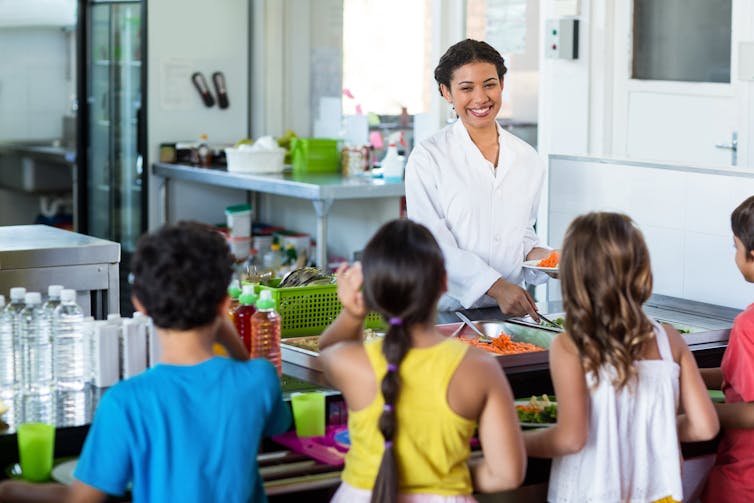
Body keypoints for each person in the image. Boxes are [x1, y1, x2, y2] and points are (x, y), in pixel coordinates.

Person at [63, 222, 290, 502]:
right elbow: (274, 424)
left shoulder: (124, 402)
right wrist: (229, 336)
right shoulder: (260, 380)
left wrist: (12, 491)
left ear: (140, 304)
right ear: (224, 304)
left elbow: (79, 499)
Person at [318, 219, 526, 503]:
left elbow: (329, 347)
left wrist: (353, 312)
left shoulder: (351, 362)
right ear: (443, 282)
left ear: (371, 290)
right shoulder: (479, 368)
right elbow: (507, 475)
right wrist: (453, 479)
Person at [523, 212, 719, 502]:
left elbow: (570, 438)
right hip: (659, 495)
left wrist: (516, 442)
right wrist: (657, 432)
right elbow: (705, 426)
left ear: (574, 278)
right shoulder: (670, 341)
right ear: (642, 272)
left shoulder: (569, 346)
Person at [405, 38, 551, 318]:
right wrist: (496, 287)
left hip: (508, 314)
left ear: (502, 84)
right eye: (466, 88)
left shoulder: (527, 158)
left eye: (489, 84)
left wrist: (555, 263)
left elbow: (521, 237)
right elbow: (432, 245)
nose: (481, 98)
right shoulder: (429, 157)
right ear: (446, 92)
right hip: (443, 313)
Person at [700, 195, 754, 502]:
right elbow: (739, 377)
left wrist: (695, 414)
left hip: (744, 479)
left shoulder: (749, 323)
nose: (735, 255)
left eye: (736, 246)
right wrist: (685, 375)